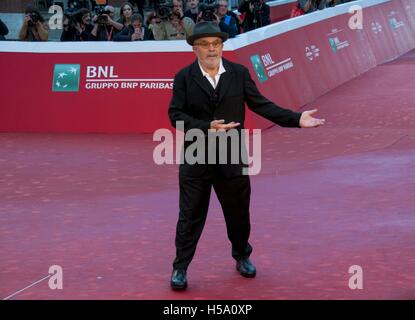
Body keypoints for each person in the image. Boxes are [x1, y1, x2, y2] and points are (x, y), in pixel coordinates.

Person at [168, 21, 325, 290]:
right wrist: (207, 127)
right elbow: (176, 115)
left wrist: (297, 119)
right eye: (204, 44)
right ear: (194, 48)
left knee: (238, 213)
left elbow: (261, 104)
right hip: (196, 155)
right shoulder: (184, 76)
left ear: (222, 46)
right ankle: (180, 268)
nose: (211, 49)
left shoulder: (239, 73)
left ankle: (242, 257)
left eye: (215, 44)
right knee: (190, 215)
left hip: (231, 155)